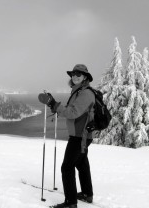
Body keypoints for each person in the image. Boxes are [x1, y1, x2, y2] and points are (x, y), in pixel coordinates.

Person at [39, 64, 95, 208]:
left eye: (79, 74)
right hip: (82, 135)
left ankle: (71, 202)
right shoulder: (78, 91)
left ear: (85, 77)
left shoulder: (85, 93)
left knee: (67, 168)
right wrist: (55, 105)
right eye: (73, 74)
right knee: (81, 163)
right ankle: (87, 194)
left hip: (79, 136)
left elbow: (73, 113)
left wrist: (54, 105)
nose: (75, 76)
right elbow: (72, 111)